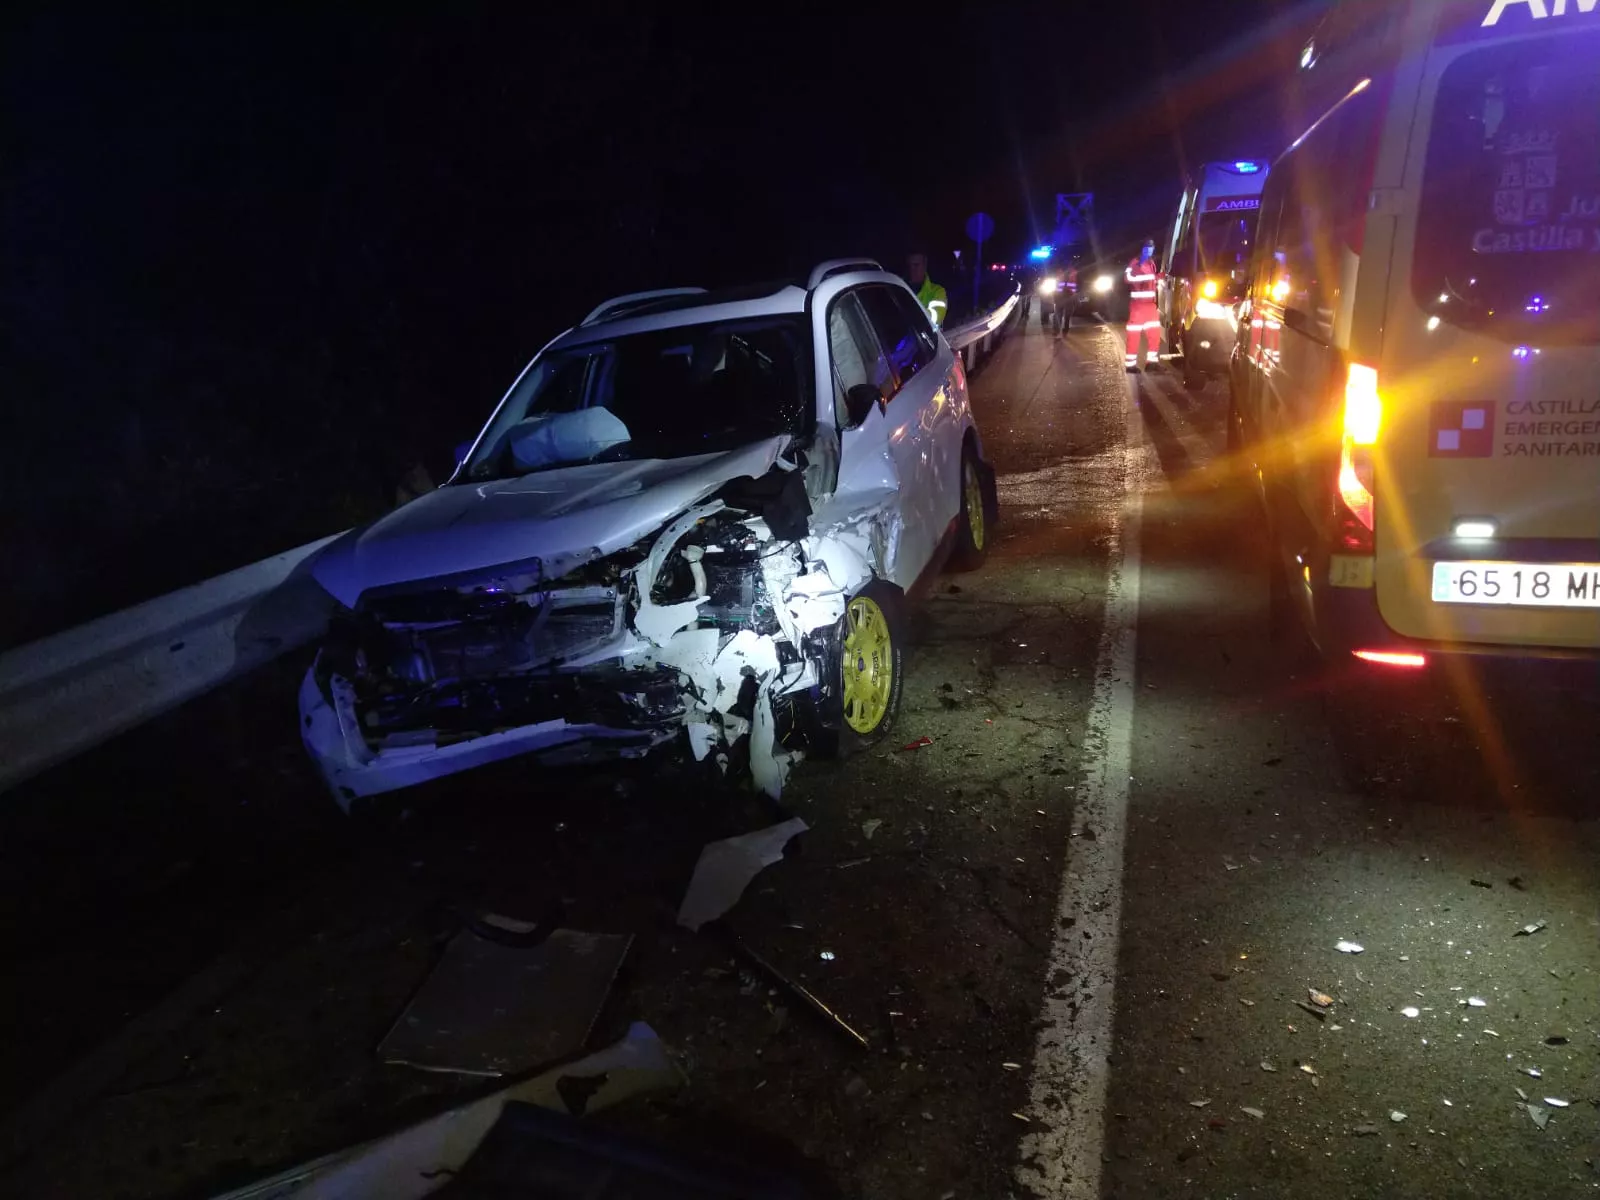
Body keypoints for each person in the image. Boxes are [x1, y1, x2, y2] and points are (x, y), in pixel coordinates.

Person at [1124, 238, 1164, 371]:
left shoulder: (1151, 263)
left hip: (1150, 306)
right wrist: (1141, 272)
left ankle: (1151, 363)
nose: (1149, 251)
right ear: (1142, 249)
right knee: (1134, 335)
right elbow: (1127, 278)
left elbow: (1151, 280)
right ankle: (1130, 365)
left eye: (1151, 248)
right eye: (1147, 248)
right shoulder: (1135, 263)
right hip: (1138, 306)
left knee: (1155, 334)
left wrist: (1158, 277)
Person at [907, 252, 949, 330]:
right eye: (909, 265)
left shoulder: (937, 291)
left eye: (916, 265)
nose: (912, 269)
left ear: (925, 265)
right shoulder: (898, 288)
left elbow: (934, 318)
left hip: (928, 337)